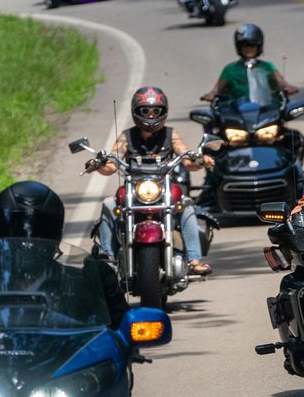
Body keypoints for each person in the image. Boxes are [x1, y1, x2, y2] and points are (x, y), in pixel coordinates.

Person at [0, 181, 129, 330]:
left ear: (55, 235)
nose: (27, 243)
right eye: (16, 233)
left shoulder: (87, 282)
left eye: (39, 233)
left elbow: (123, 331)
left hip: (72, 372)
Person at [87, 86, 215, 276]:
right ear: (136, 112)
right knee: (108, 204)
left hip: (163, 187)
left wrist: (200, 160)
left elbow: (187, 160)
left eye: (156, 111)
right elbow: (112, 165)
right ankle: (108, 257)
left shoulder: (171, 135)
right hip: (135, 188)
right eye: (145, 111)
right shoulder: (126, 136)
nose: (151, 115)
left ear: (164, 112)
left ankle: (194, 260)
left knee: (187, 205)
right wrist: (98, 164)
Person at [202, 23, 299, 104]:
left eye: (252, 45)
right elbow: (217, 89)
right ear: (239, 48)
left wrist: (289, 87)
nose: (248, 49)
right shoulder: (230, 69)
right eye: (245, 46)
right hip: (237, 111)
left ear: (258, 47)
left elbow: (281, 82)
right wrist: (211, 94)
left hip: (265, 108)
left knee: (284, 117)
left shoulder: (267, 67)